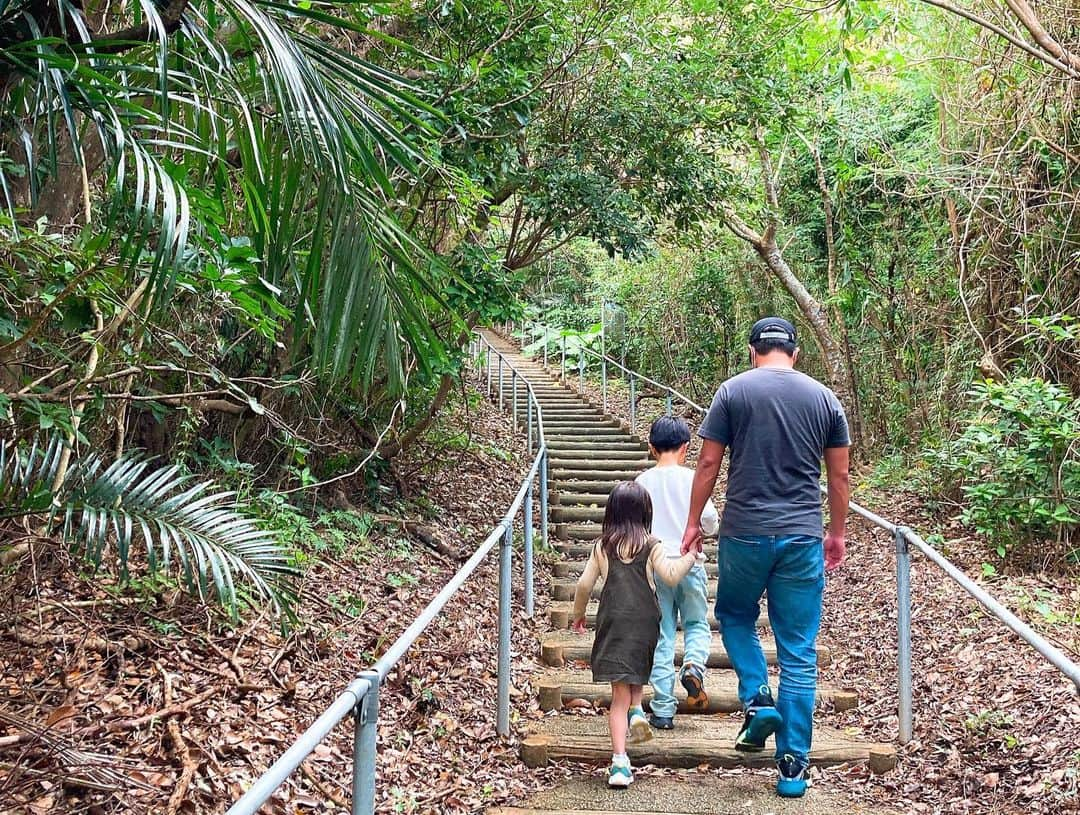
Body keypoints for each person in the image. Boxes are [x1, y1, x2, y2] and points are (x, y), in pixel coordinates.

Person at [680, 316, 850, 799]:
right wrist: (835, 533)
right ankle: (793, 766)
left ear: (754, 351)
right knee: (798, 650)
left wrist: (693, 522)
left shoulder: (732, 392)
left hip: (745, 533)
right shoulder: (824, 399)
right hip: (801, 536)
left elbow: (709, 462)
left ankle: (756, 697)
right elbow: (838, 478)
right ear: (794, 353)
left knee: (734, 615)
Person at [571, 481, 700, 788]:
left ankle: (618, 763)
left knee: (618, 694)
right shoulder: (652, 544)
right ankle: (638, 710)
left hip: (613, 620)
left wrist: (578, 615)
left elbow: (583, 586)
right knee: (638, 670)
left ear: (611, 512)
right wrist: (691, 556)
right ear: (645, 512)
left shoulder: (602, 546)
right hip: (645, 619)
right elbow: (669, 575)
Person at [634, 415, 719, 730]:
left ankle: (663, 709)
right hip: (689, 564)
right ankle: (694, 666)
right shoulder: (693, 479)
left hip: (654, 568)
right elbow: (710, 522)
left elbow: (636, 528)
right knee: (697, 623)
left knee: (662, 635)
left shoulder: (642, 482)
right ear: (686, 448)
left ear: (651, 448)